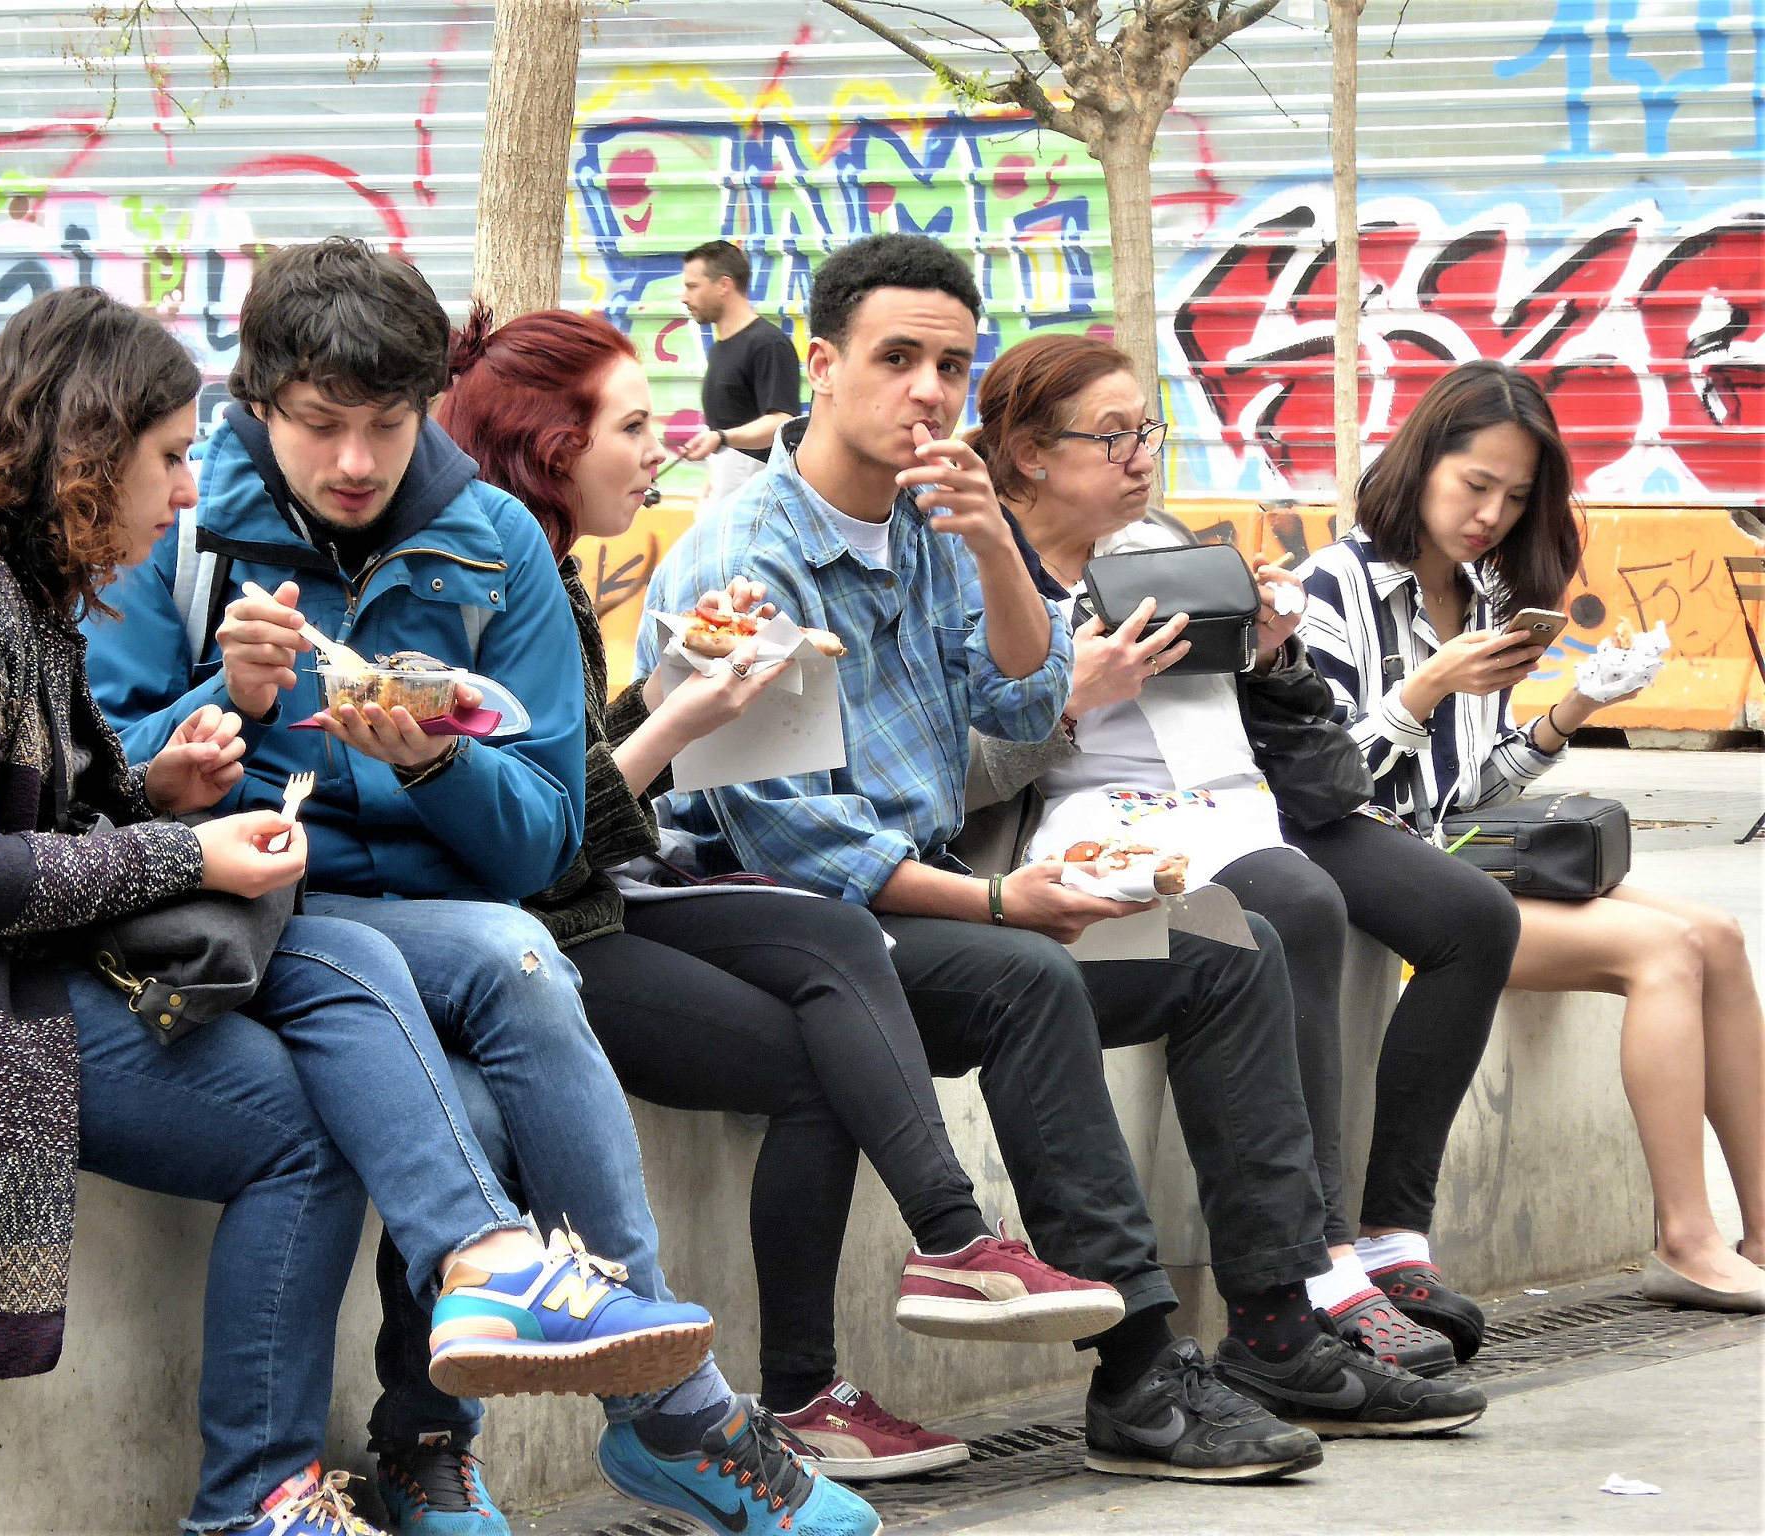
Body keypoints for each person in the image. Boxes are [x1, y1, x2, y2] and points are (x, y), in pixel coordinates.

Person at [0, 286, 711, 1536]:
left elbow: (44, 813)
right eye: (171, 458)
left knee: (341, 999)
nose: (188, 491)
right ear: (85, 451)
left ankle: (428, 1337)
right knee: (310, 1099)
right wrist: (184, 855)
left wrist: (161, 784)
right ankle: (322, 1436)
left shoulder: (3, 591)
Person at [639, 232, 1488, 1483]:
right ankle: (1140, 1374)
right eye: (893, 358)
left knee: (1222, 938)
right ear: (817, 366)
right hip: (815, 933)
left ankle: (1269, 1322)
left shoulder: (932, 524)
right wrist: (1003, 900)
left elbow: (1024, 699)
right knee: (1025, 976)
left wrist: (988, 544)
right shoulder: (741, 559)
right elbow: (796, 844)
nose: (926, 390)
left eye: (947, 362)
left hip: (941, 912)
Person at [86, 237, 869, 1536]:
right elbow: (101, 790)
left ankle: (652, 1408)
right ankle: (472, 1439)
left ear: (427, 408)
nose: (353, 462)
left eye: (386, 426)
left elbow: (545, 841)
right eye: (319, 426)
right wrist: (222, 697)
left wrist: (441, 763)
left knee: (518, 954)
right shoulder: (174, 522)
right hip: (248, 909)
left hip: (454, 916)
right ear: (257, 403)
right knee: (464, 1094)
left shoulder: (496, 540)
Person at [426, 303, 1127, 1489]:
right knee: (884, 959)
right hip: (531, 929)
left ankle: (850, 1345)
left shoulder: (549, 561)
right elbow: (540, 839)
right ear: (551, 442)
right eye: (635, 426)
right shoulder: (495, 569)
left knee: (829, 970)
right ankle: (935, 1264)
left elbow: (1016, 707)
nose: (667, 450)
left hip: (606, 894)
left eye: (950, 365)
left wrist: (669, 687)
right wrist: (683, 712)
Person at [960, 332, 1524, 1372]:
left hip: (1247, 808)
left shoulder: (1165, 539)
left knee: (1470, 915)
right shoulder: (981, 568)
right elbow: (950, 767)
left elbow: (1298, 747)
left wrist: (1271, 647)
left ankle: (1387, 1237)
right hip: (1107, 836)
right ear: (1030, 454)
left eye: (1146, 429)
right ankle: (1318, 1262)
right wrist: (1068, 698)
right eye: (1113, 435)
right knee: (1290, 908)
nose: (1140, 455)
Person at [1297, 358, 1765, 1315]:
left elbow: (1468, 786)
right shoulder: (1328, 590)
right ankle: (1686, 1237)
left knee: (1718, 934)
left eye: (1513, 499)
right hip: (1383, 885)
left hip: (1460, 857)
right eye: (1476, 485)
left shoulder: (1483, 594)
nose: (1490, 516)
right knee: (1666, 952)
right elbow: (1328, 788)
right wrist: (1422, 690)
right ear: (1422, 461)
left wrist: (1573, 710)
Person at [676, 239, 803, 515]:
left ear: (724, 285)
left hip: (755, 511)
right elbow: (730, 426)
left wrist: (721, 438)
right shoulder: (722, 348)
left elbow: (782, 423)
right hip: (726, 502)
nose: (684, 297)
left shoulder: (768, 344)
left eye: (692, 286)